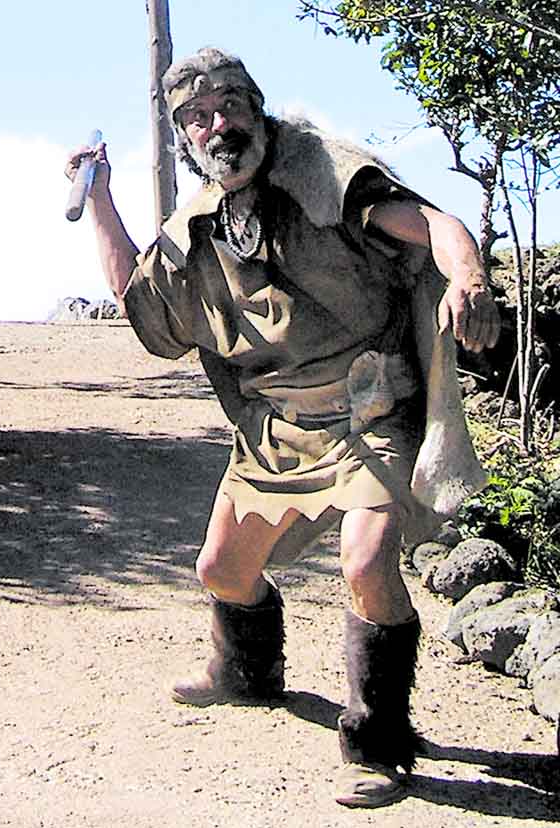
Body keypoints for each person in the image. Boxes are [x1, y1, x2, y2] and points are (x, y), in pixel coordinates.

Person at [66, 47, 499, 808]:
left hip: (371, 411)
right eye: (197, 117)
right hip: (278, 427)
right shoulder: (200, 223)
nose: (217, 123)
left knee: (366, 564)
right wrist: (98, 196)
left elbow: (436, 224)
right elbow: (142, 299)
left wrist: (468, 278)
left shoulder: (324, 173)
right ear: (183, 139)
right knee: (222, 573)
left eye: (230, 104)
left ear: (256, 107)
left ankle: (379, 740)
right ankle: (246, 673)